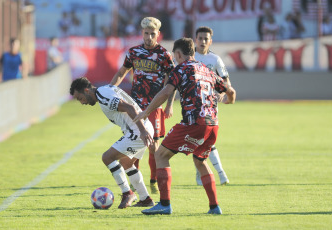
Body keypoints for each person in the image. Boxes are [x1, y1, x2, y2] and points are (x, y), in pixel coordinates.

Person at [133, 38, 236, 215]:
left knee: (160, 155)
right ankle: (214, 206)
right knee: (200, 160)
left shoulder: (180, 68)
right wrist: (229, 101)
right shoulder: (206, 70)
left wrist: (146, 111)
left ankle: (164, 204)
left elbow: (166, 92)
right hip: (213, 124)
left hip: (193, 122)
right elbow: (230, 91)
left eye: (175, 55)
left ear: (178, 54)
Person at [110, 17, 175, 195]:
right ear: (142, 33)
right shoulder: (133, 52)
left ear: (158, 34)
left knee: (153, 147)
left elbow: (173, 80)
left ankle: (153, 180)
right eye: (146, 33)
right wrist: (110, 89)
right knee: (135, 143)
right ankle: (134, 181)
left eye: (152, 34)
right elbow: (122, 72)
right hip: (135, 106)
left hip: (155, 106)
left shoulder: (164, 54)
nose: (149, 37)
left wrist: (169, 104)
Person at [70, 77, 155, 208]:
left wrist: (143, 131)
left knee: (107, 157)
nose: (82, 102)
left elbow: (130, 108)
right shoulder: (105, 90)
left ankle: (127, 193)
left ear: (87, 90)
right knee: (126, 163)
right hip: (143, 127)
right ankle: (145, 199)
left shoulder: (103, 95)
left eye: (80, 98)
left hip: (139, 131)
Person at [193, 26, 233, 186]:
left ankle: (207, 173)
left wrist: (223, 92)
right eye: (200, 38)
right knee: (200, 140)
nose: (203, 41)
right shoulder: (190, 57)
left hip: (210, 104)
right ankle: (216, 174)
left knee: (206, 139)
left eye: (205, 39)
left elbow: (226, 81)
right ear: (195, 39)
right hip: (192, 104)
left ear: (210, 41)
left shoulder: (215, 60)